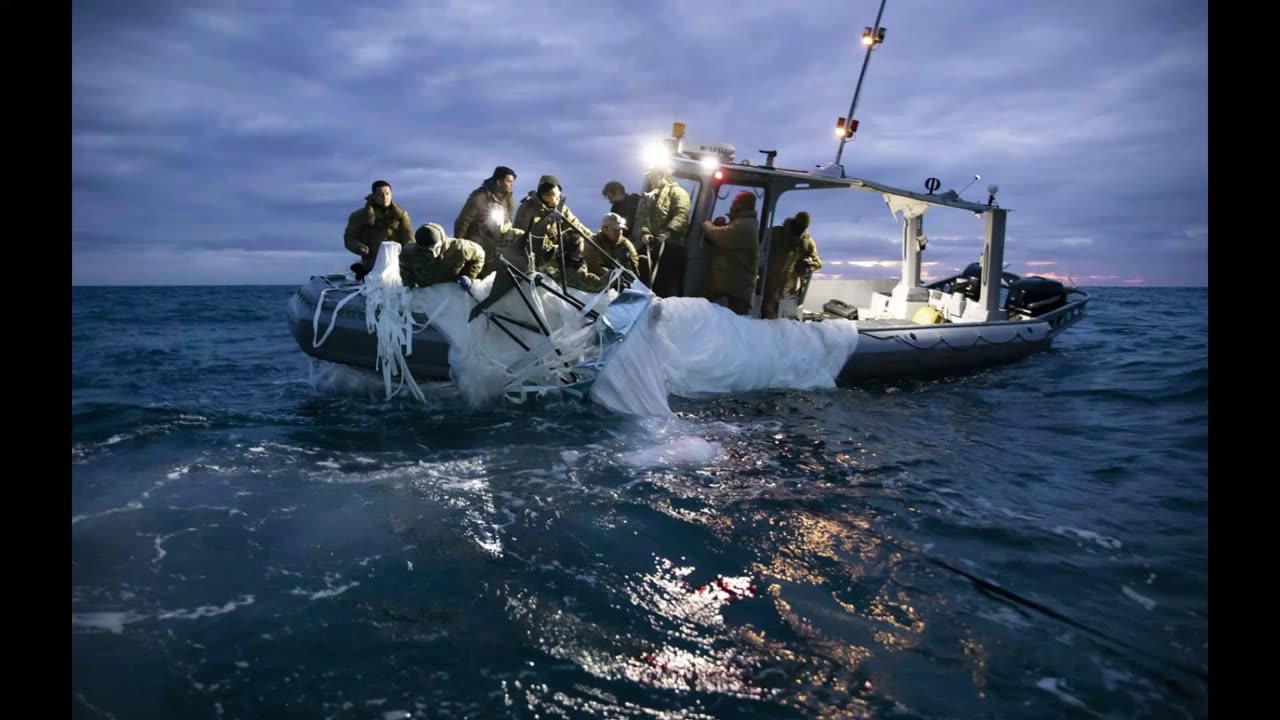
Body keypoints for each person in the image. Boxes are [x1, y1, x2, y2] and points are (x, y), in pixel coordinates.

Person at [633, 166, 690, 297]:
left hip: (670, 247)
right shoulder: (651, 196)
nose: (650, 180)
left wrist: (669, 232)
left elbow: (682, 215)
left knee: (662, 285)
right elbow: (644, 217)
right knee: (640, 275)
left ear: (660, 175)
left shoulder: (679, 193)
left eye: (651, 177)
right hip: (652, 246)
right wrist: (644, 233)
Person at [699, 191, 759, 315]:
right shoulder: (743, 222)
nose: (731, 206)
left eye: (734, 203)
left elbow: (719, 236)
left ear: (742, 205)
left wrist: (707, 224)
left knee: (733, 325)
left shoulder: (744, 226)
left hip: (736, 288)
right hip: (731, 283)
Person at [453, 166, 517, 277]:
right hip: (477, 241)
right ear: (498, 181)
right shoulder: (480, 197)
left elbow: (508, 220)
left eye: (512, 182)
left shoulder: (508, 199)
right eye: (508, 181)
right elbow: (463, 221)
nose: (511, 184)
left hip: (497, 242)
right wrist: (460, 247)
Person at [344, 180, 413, 280]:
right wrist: (358, 247)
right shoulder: (359, 216)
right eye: (380, 194)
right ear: (373, 196)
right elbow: (350, 238)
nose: (385, 197)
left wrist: (410, 249)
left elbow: (408, 235)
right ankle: (363, 272)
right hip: (373, 262)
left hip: (397, 262)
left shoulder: (401, 215)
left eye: (387, 193)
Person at [762, 211, 823, 319]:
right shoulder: (776, 233)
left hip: (788, 287)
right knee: (766, 314)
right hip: (767, 282)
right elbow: (760, 247)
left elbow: (818, 263)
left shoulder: (807, 242)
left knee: (784, 319)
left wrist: (808, 264)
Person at [399, 223, 485, 290]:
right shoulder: (409, 253)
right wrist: (409, 288)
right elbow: (405, 270)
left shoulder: (460, 248)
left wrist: (469, 276)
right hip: (428, 296)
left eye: (435, 248)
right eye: (426, 251)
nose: (433, 254)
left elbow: (479, 255)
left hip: (454, 293)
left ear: (441, 242)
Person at [582, 212, 639, 281]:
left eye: (620, 229)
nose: (619, 233)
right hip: (600, 282)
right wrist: (614, 277)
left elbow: (633, 264)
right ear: (604, 229)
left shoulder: (626, 244)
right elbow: (594, 266)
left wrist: (627, 277)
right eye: (615, 230)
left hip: (624, 282)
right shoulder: (592, 242)